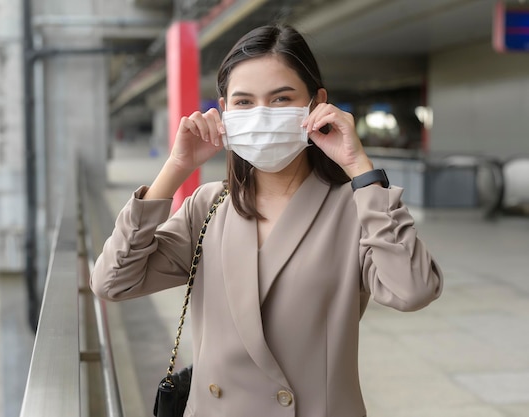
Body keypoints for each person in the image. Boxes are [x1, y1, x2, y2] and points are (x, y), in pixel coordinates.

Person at [91, 24, 442, 417]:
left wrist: (360, 167)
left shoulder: (355, 208)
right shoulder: (208, 207)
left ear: (316, 103)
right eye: (244, 103)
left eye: (281, 99)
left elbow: (413, 290)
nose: (261, 115)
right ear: (224, 110)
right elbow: (112, 281)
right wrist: (176, 167)